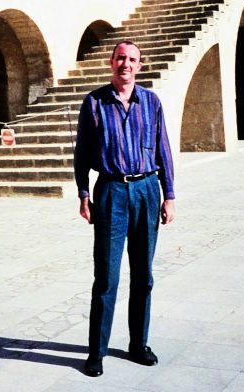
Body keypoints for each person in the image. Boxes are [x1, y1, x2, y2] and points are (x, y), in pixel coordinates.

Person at [74, 40, 175, 377]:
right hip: (111, 192)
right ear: (111, 62)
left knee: (143, 275)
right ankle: (96, 352)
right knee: (106, 277)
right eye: (120, 58)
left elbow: (164, 150)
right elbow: (82, 152)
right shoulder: (94, 103)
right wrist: (83, 193)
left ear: (139, 65)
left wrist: (169, 194)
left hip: (147, 190)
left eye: (132, 60)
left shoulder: (152, 102)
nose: (125, 65)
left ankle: (138, 344)